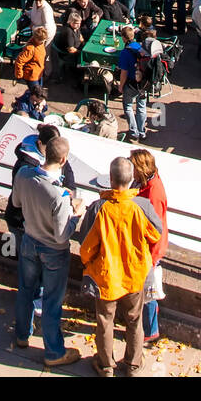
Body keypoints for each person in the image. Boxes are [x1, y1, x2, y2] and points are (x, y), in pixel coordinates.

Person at [79, 155, 160, 378]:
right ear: (132, 178)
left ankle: (106, 365)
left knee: (105, 320)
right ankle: (133, 365)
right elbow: (156, 233)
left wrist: (88, 264)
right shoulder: (141, 206)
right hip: (134, 274)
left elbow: (85, 244)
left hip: (107, 276)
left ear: (111, 179)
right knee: (134, 320)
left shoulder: (99, 208)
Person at [13, 134, 84, 368]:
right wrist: (77, 214)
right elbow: (63, 234)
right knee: (52, 301)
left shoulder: (24, 174)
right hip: (53, 250)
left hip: (29, 240)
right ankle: (54, 352)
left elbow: (16, 204)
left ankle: (22, 334)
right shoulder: (60, 195)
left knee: (26, 289)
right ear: (63, 160)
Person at [130, 148, 169, 343]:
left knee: (148, 292)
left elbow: (155, 228)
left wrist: (151, 258)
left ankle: (150, 331)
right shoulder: (146, 182)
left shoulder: (153, 192)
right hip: (144, 246)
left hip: (149, 249)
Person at [117, 26, 148, 142]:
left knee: (128, 106)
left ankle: (134, 132)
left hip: (131, 84)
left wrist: (120, 86)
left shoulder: (125, 52)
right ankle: (142, 131)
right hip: (143, 83)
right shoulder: (141, 47)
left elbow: (123, 72)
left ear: (124, 38)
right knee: (141, 106)